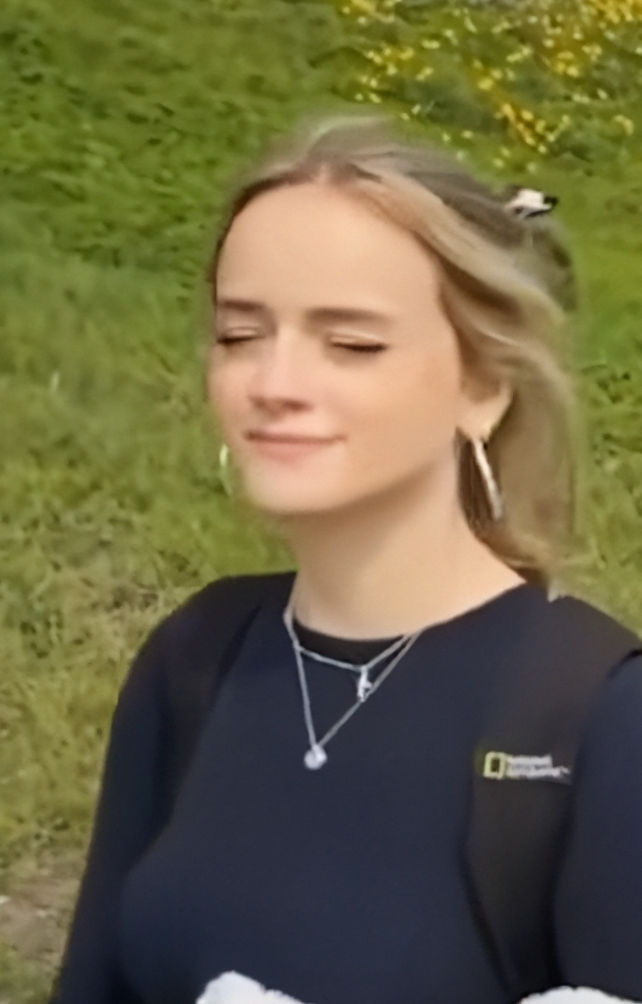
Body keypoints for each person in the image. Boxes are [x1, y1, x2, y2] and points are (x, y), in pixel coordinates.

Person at [49, 112, 642, 1004]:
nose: (274, 384)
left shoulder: (599, 718)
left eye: (352, 344)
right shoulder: (196, 656)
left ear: (484, 386)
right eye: (240, 335)